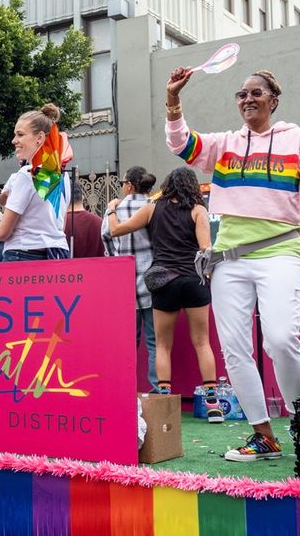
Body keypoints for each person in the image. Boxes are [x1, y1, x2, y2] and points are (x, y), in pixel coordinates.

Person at [164, 66, 300, 461]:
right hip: (229, 259)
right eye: (241, 94)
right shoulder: (226, 143)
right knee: (235, 350)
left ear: (273, 100)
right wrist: (173, 99)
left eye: (256, 93)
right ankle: (263, 436)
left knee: (281, 339)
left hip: (279, 251)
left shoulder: (296, 138)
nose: (247, 99)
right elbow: (182, 144)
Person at [106, 167, 223, 423]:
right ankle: (213, 403)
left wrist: (112, 210)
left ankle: (165, 404)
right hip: (192, 280)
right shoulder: (198, 210)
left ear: (167, 185)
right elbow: (205, 249)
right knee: (202, 342)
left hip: (163, 280)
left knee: (162, 345)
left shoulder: (152, 208)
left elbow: (116, 231)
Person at [101, 166, 159, 390]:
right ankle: (157, 390)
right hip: (152, 284)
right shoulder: (154, 207)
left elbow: (106, 240)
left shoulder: (114, 211)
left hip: (125, 286)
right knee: (155, 342)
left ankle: (125, 390)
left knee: (127, 343)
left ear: (129, 186)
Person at [0, 104, 71, 260]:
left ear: (40, 138)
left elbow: (3, 232)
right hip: (57, 253)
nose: (14, 141)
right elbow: (60, 225)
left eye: (20, 135)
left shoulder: (27, 174)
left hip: (23, 253)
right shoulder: (62, 176)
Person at [64, 181, 106, 257]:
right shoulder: (100, 223)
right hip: (95, 264)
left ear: (64, 199)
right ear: (83, 197)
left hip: (67, 265)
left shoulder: (60, 225)